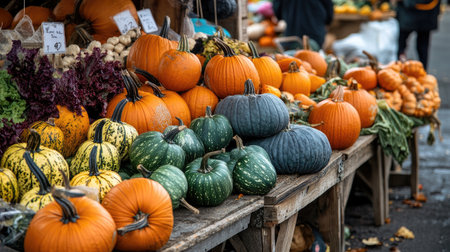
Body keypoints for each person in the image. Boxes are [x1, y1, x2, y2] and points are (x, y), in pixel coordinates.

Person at [396, 0, 441, 69]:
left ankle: (421, 71)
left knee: (420, 45)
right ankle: (421, 70)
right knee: (421, 45)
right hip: (424, 12)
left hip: (417, 11)